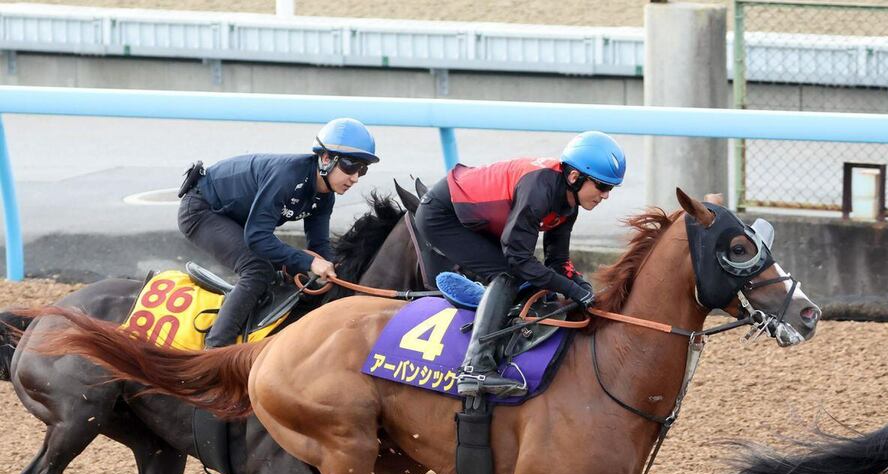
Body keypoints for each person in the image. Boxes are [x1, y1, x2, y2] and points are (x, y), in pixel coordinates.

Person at [414, 131, 626, 397]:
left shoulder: (569, 205)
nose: (606, 196)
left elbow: (557, 261)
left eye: (611, 189)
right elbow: (518, 259)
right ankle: (474, 367)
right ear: (575, 177)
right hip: (442, 215)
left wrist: (582, 285)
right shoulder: (540, 190)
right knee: (509, 273)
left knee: (527, 278)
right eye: (603, 187)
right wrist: (572, 291)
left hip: (472, 214)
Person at [177, 117, 378, 347]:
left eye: (362, 170)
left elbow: (319, 247)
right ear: (325, 158)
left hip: (236, 218)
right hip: (201, 210)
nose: (354, 177)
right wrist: (309, 262)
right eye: (350, 166)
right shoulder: (288, 176)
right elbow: (257, 238)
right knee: (257, 269)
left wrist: (341, 274)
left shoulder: (325, 196)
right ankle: (213, 351)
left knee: (289, 267)